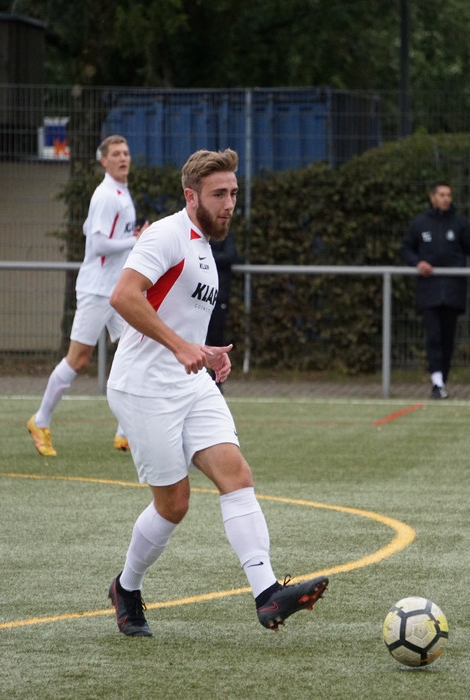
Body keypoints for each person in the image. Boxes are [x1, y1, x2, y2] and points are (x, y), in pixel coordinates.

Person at [105, 148, 328, 636]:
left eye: (233, 193)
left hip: (190, 382)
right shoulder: (167, 234)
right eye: (219, 194)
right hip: (143, 389)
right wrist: (182, 345)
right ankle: (126, 587)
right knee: (174, 505)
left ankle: (268, 595)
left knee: (236, 474)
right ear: (191, 196)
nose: (230, 204)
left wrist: (204, 351)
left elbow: (175, 314)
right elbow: (122, 296)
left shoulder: (207, 245)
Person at [27, 135, 147, 456]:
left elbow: (87, 228)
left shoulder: (120, 192)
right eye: (116, 154)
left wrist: (131, 237)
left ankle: (125, 432)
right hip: (97, 289)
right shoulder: (106, 194)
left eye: (126, 152)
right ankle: (40, 420)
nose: (123, 158)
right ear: (103, 161)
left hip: (118, 289)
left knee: (133, 349)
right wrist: (136, 242)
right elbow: (97, 244)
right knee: (78, 358)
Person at [400, 181, 470, 399]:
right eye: (441, 194)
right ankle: (436, 382)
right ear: (432, 197)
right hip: (429, 290)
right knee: (433, 336)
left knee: (447, 338)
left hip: (453, 290)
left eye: (449, 195)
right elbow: (407, 248)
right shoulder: (420, 224)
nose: (446, 198)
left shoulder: (459, 224)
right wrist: (417, 263)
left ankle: (441, 381)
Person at [205, 230, 242, 391]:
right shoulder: (194, 234)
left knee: (216, 339)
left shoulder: (225, 235)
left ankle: (217, 382)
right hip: (199, 299)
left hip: (219, 298)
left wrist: (207, 256)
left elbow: (230, 256)